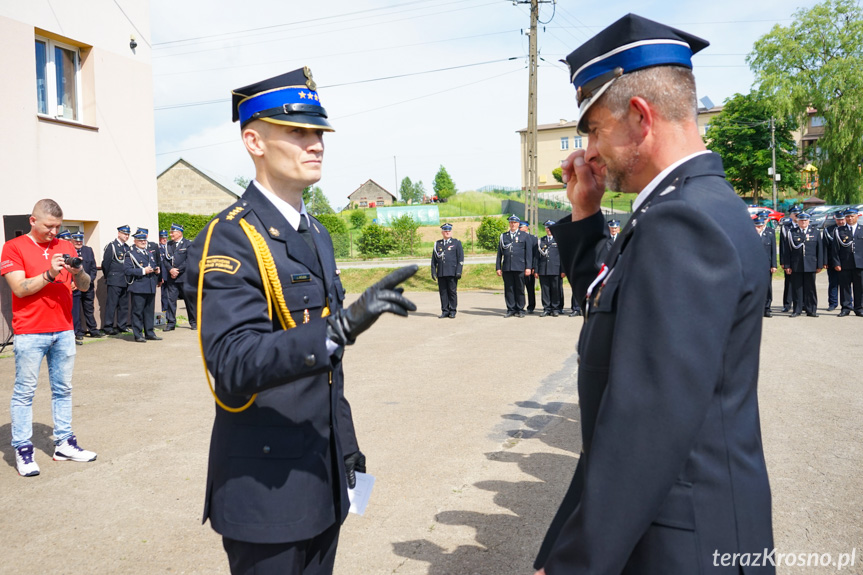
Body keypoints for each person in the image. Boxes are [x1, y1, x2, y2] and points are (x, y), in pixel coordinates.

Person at [533, 15, 774, 574]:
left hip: (679, 546)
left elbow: (645, 425)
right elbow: (619, 304)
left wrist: (574, 564)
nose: (588, 151)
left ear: (639, 118)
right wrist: (585, 213)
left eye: (593, 129)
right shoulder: (695, 206)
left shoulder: (681, 223)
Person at [183, 68, 417, 575]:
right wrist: (335, 329)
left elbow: (326, 374)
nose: (315, 145)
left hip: (320, 473)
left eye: (319, 133)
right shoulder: (230, 238)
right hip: (266, 490)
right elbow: (231, 362)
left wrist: (347, 450)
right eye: (297, 132)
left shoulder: (316, 234)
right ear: (254, 141)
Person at [0, 199, 98, 477]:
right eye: (49, 226)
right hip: (30, 331)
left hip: (64, 329)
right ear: (33, 221)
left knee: (64, 389)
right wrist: (50, 272)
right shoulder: (13, 247)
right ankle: (22, 448)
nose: (54, 232)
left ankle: (64, 443)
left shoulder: (65, 246)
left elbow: (84, 286)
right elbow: (19, 289)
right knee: (24, 392)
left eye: (58, 226)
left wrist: (78, 272)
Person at [124, 228, 162, 343]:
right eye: (140, 240)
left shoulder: (149, 253)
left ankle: (149, 332)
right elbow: (127, 270)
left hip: (150, 285)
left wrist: (156, 270)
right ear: (135, 241)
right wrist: (143, 271)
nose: (143, 242)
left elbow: (153, 264)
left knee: (149, 312)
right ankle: (138, 334)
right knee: (137, 312)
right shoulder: (130, 254)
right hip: (138, 287)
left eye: (144, 240)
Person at [784, 212, 823, 317]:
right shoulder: (791, 232)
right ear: (798, 221)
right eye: (801, 220)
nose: (803, 222)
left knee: (810, 289)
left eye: (805, 220)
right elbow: (787, 251)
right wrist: (787, 265)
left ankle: (811, 310)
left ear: (809, 221)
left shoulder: (815, 232)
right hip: (796, 265)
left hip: (810, 264)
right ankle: (797, 310)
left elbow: (820, 249)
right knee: (797, 288)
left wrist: (820, 265)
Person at [496, 214, 532, 317]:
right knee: (509, 289)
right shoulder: (504, 236)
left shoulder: (524, 235)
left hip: (520, 266)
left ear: (518, 224)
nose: (513, 224)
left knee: (520, 288)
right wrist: (498, 267)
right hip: (507, 267)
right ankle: (511, 309)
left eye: (515, 223)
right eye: (511, 222)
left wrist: (528, 267)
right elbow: (499, 253)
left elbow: (528, 253)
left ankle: (520, 309)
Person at [101, 224, 131, 334]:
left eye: (128, 234)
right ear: (119, 233)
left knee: (124, 305)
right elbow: (106, 264)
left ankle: (121, 325)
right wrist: (109, 277)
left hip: (125, 280)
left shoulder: (127, 248)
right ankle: (108, 327)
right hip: (114, 280)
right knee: (111, 305)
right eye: (124, 234)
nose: (126, 236)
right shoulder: (112, 246)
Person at [71, 231, 101, 339]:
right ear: (72, 240)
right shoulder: (69, 251)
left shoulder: (88, 250)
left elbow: (93, 267)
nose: (78, 242)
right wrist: (72, 282)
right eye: (76, 240)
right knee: (76, 310)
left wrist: (89, 281)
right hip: (75, 286)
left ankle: (93, 329)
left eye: (80, 240)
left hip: (88, 286)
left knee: (89, 308)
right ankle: (78, 332)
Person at [167, 223, 197, 330]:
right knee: (171, 301)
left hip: (184, 277)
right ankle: (171, 323)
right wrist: (170, 269)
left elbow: (189, 260)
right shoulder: (168, 244)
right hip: (172, 277)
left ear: (179, 233)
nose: (171, 234)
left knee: (189, 301)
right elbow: (165, 260)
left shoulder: (188, 244)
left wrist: (177, 270)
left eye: (172, 232)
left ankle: (194, 322)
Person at [430, 223, 464, 318]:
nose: (447, 232)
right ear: (442, 232)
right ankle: (445, 310)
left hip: (452, 272)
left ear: (451, 231)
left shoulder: (456, 243)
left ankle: (452, 310)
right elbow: (434, 260)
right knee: (443, 292)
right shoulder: (438, 244)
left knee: (452, 292)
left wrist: (459, 271)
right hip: (441, 272)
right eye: (445, 231)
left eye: (449, 231)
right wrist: (433, 271)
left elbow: (460, 258)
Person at [834, 207, 863, 316]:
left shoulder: (862, 229)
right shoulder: (839, 230)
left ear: (857, 216)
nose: (850, 218)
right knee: (845, 287)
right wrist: (836, 263)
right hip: (845, 263)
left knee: (860, 287)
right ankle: (845, 308)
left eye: (852, 216)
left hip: (860, 263)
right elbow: (835, 249)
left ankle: (859, 308)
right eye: (847, 216)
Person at [536, 220, 563, 316]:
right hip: (543, 269)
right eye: (547, 228)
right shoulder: (541, 240)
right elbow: (537, 257)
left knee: (555, 289)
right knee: (545, 290)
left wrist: (563, 270)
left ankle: (555, 308)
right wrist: (536, 269)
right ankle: (546, 308)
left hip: (556, 269)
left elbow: (563, 257)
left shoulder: (559, 239)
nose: (549, 230)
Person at [779, 206, 801, 312]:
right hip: (789, 258)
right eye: (794, 214)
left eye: (798, 213)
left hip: (801, 259)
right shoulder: (785, 227)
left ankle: (803, 304)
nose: (796, 215)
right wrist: (783, 261)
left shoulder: (804, 225)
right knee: (789, 282)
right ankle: (787, 304)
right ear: (790, 215)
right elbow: (783, 245)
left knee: (803, 282)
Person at [755, 216, 777, 317]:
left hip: (766, 266)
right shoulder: (750, 236)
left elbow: (773, 251)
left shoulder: (769, 234)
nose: (759, 227)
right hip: (754, 267)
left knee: (767, 287)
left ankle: (767, 308)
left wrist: (774, 265)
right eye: (757, 226)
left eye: (761, 225)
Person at [823, 211, 844, 311]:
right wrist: (825, 261)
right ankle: (832, 303)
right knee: (833, 283)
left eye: (842, 219)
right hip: (832, 261)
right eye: (838, 219)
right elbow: (825, 247)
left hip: (847, 261)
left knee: (846, 284)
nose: (840, 221)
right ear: (835, 219)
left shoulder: (848, 229)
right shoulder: (829, 230)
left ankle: (847, 303)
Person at [520, 221, 538, 313]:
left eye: (521, 227)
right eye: (519, 227)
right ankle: (520, 306)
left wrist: (534, 267)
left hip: (529, 268)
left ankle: (531, 306)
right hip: (519, 267)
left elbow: (535, 254)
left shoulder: (533, 238)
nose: (520, 228)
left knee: (530, 288)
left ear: (527, 228)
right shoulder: (517, 237)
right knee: (520, 288)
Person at [158, 230, 171, 322]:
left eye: (165, 237)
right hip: (163, 275)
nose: (164, 239)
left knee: (169, 295)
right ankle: (164, 312)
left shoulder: (169, 248)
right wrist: (160, 276)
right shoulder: (158, 249)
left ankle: (168, 313)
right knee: (163, 295)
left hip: (170, 275)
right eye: (162, 238)